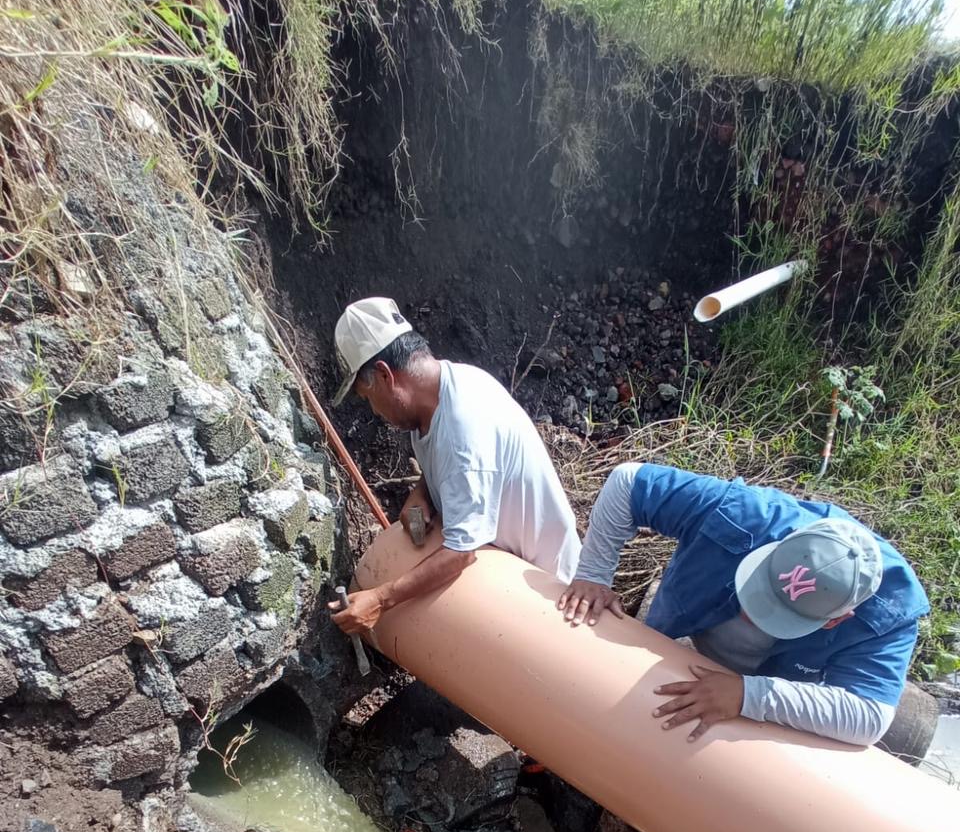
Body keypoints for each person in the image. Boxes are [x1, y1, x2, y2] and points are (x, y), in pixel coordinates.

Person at [557, 462, 929, 745]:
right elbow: (627, 481)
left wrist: (748, 696)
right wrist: (593, 575)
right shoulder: (744, 514)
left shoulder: (887, 614)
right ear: (773, 551)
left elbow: (868, 717)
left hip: (763, 683)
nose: (753, 614)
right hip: (677, 635)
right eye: (762, 591)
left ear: (837, 620)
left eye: (779, 616)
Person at [328, 296, 580, 635]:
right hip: (503, 568)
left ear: (386, 376)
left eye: (368, 397)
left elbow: (461, 552)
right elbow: (456, 468)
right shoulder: (441, 392)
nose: (374, 411)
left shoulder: (464, 427)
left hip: (547, 593)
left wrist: (380, 598)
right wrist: (423, 493)